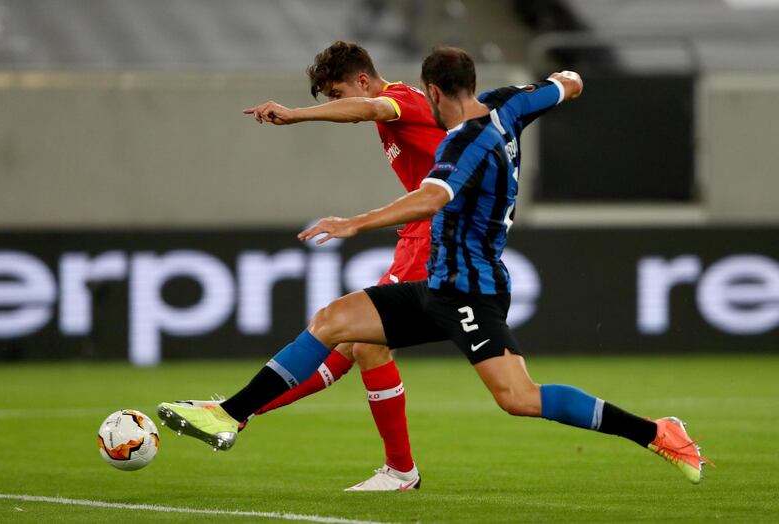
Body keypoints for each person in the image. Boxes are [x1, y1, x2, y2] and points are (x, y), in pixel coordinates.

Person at [158, 47, 709, 486]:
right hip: (438, 284)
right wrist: (565, 83)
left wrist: (353, 223)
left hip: (469, 290)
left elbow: (431, 198)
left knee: (519, 399)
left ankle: (657, 432)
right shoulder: (506, 106)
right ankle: (231, 413)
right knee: (334, 322)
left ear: (432, 91)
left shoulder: (465, 141)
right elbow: (568, 83)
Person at [182, 40, 446, 491]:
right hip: (417, 240)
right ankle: (237, 412)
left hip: (435, 241)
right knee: (351, 343)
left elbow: (369, 109)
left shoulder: (399, 101)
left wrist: (296, 114)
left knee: (354, 336)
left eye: (338, 94)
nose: (339, 103)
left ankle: (235, 412)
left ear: (362, 81)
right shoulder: (400, 106)